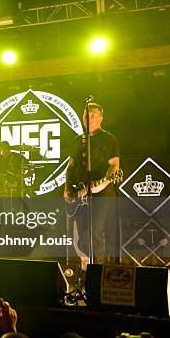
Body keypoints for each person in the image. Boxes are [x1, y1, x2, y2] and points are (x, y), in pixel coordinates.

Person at [64, 102, 120, 266]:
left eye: (93, 115)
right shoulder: (77, 141)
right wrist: (67, 188)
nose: (89, 118)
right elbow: (70, 166)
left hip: (102, 195)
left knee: (94, 231)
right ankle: (86, 269)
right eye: (86, 115)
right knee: (81, 235)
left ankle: (98, 272)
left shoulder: (108, 139)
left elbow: (115, 166)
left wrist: (101, 185)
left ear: (101, 118)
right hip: (80, 194)